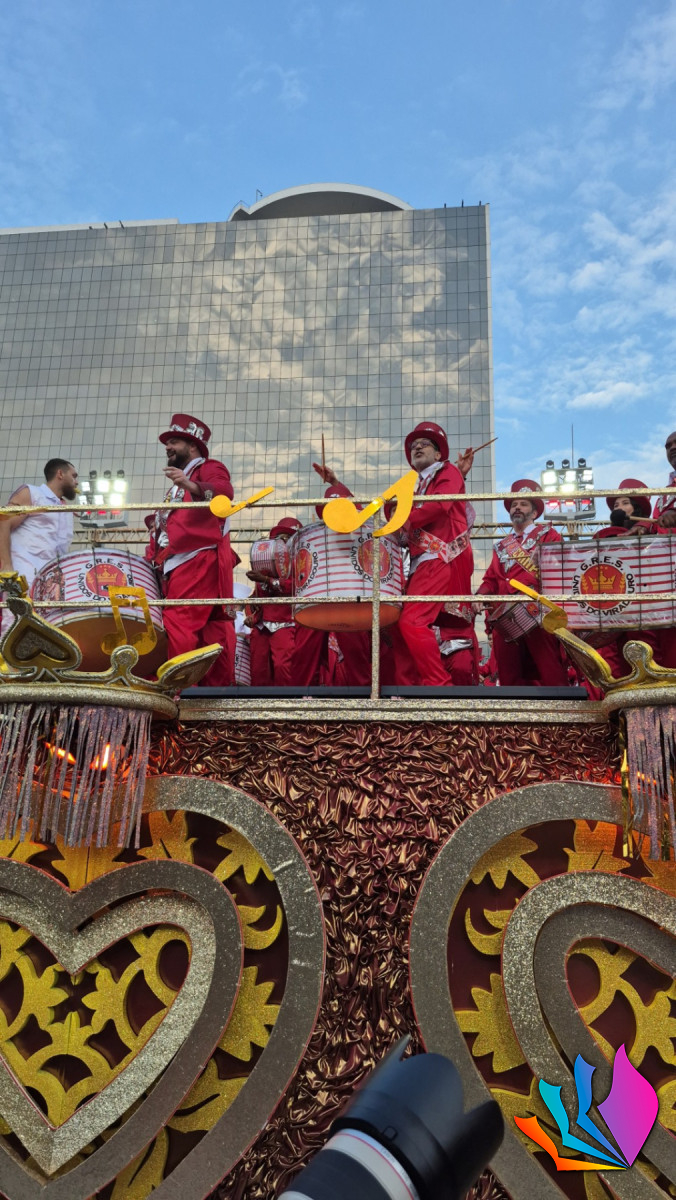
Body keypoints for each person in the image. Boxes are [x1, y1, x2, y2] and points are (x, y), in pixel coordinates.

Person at [149, 413, 237, 685]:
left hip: (196, 559)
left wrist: (190, 484)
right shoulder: (178, 486)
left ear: (193, 445)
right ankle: (213, 697)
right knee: (211, 634)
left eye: (174, 441)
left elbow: (225, 493)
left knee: (179, 622)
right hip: (181, 563)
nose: (167, 447)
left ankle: (178, 691)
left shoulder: (208, 467)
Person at [388, 422, 475, 686]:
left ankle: (438, 684)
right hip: (420, 563)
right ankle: (407, 689)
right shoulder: (415, 486)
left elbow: (439, 506)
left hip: (438, 558)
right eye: (413, 446)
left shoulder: (447, 471)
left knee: (412, 622)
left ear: (438, 454)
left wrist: (402, 520)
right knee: (400, 626)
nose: (417, 448)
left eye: (424, 444)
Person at [477, 479, 568, 687]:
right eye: (514, 504)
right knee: (508, 672)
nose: (517, 507)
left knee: (550, 668)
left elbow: (561, 568)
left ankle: (562, 707)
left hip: (538, 612)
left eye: (523, 504)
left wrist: (545, 560)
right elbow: (491, 579)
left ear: (534, 513)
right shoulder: (501, 546)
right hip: (506, 615)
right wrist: (479, 596)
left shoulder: (549, 535)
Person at [0, 458, 78, 632]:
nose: (76, 482)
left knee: (49, 631)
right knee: (15, 625)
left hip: (51, 581)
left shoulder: (65, 508)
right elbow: (3, 522)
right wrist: (6, 566)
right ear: (60, 474)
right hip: (24, 572)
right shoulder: (32, 493)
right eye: (73, 476)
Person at [246, 517, 301, 686]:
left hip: (286, 621)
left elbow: (295, 586)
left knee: (283, 666)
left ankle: (286, 700)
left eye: (288, 538)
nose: (283, 541)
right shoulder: (266, 561)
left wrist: (266, 580)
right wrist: (251, 607)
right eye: (280, 537)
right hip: (262, 624)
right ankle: (259, 702)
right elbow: (257, 594)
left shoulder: (300, 562)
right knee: (258, 669)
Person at [653, 432, 676, 527]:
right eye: (668, 446)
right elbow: (655, 523)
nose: (672, 448)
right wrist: (643, 526)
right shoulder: (664, 494)